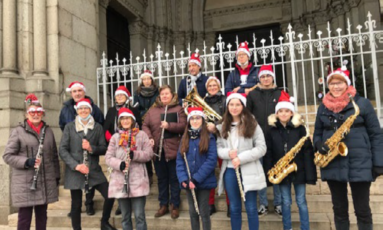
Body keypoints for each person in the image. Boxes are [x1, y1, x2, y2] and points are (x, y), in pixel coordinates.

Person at [313, 66, 383, 230]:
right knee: (339, 210)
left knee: (362, 209)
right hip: (333, 161)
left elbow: (376, 134)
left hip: (359, 162)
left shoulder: (362, 104)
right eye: (332, 83)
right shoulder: (323, 107)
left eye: (339, 83)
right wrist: (318, 144)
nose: (335, 86)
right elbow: (317, 133)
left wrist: (379, 162)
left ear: (347, 84)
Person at [3, 94, 60, 230]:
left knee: (42, 216)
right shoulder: (18, 132)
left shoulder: (49, 131)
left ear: (43, 114)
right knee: (24, 218)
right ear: (26, 114)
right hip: (25, 182)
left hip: (45, 181)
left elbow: (54, 156)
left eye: (39, 112)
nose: (36, 115)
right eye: (32, 112)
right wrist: (27, 161)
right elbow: (8, 156)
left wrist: (56, 176)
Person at [59, 98, 117, 230]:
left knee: (110, 194)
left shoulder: (97, 127)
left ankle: (104, 222)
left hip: (93, 169)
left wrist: (92, 148)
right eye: (80, 108)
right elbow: (62, 149)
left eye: (86, 108)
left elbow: (103, 147)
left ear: (90, 110)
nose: (83, 111)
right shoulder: (69, 127)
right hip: (75, 170)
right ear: (77, 111)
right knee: (76, 204)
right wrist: (76, 165)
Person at [264, 91, 317, 230]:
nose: (283, 114)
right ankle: (287, 228)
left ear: (292, 113)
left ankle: (305, 228)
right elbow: (268, 152)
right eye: (280, 111)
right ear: (276, 114)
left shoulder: (300, 129)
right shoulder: (271, 131)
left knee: (301, 201)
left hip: (298, 170)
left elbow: (307, 152)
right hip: (282, 170)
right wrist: (269, 170)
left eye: (287, 111)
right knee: (285, 201)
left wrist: (309, 174)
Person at [216, 92, 267, 230]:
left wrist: (241, 158)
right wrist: (228, 153)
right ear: (227, 106)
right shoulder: (222, 126)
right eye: (231, 104)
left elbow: (262, 148)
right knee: (234, 207)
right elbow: (218, 148)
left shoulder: (253, 123)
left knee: (251, 207)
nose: (234, 107)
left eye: (237, 104)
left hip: (249, 169)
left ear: (243, 106)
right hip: (230, 171)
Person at [59, 81, 104, 216]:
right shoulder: (66, 108)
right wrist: (73, 136)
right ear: (71, 93)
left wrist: (92, 144)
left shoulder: (94, 108)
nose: (77, 93)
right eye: (74, 91)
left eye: (80, 91)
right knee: (76, 183)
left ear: (84, 92)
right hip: (73, 145)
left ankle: (89, 204)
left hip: (89, 147)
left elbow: (99, 125)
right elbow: (62, 124)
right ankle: (75, 209)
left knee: (89, 178)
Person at [142, 85, 187, 219]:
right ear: (159, 96)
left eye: (167, 94)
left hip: (174, 151)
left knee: (174, 179)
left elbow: (184, 126)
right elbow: (144, 125)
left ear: (172, 95)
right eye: (162, 94)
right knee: (161, 180)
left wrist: (170, 126)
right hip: (158, 151)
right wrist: (149, 137)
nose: (165, 96)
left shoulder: (179, 109)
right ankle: (163, 205)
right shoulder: (152, 111)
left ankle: (175, 205)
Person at [105, 108, 154, 230]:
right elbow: (108, 157)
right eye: (123, 119)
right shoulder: (115, 137)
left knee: (139, 216)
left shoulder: (141, 135)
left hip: (138, 180)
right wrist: (120, 164)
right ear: (119, 121)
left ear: (132, 120)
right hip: (121, 181)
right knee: (125, 217)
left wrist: (135, 155)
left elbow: (149, 154)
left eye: (128, 118)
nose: (125, 121)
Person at [246, 65, 282, 217]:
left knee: (277, 171)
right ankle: (263, 204)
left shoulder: (280, 93)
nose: (265, 79)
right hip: (258, 140)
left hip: (277, 138)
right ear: (259, 78)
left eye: (268, 76)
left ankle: (279, 203)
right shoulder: (253, 95)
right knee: (259, 172)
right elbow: (247, 115)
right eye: (262, 76)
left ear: (272, 77)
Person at [104, 85, 144, 216]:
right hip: (116, 145)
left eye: (122, 95)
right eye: (117, 95)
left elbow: (138, 125)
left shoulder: (133, 110)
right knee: (119, 176)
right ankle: (122, 205)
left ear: (127, 97)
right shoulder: (111, 110)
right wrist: (113, 139)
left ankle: (133, 200)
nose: (119, 97)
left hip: (131, 144)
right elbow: (106, 127)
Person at [176, 107, 217, 230]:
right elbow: (179, 160)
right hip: (188, 182)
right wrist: (183, 178)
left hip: (203, 181)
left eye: (198, 118)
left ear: (202, 120)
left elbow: (211, 160)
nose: (195, 121)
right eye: (192, 119)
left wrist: (196, 179)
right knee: (193, 212)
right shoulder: (184, 138)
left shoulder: (209, 138)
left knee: (204, 212)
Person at [203, 76, 230, 216]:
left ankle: (230, 204)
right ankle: (210, 203)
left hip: (222, 138)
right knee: (209, 172)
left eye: (215, 85)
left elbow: (229, 118)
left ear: (219, 87)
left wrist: (217, 127)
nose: (212, 88)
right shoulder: (202, 101)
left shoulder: (225, 100)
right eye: (210, 86)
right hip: (208, 139)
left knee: (225, 171)